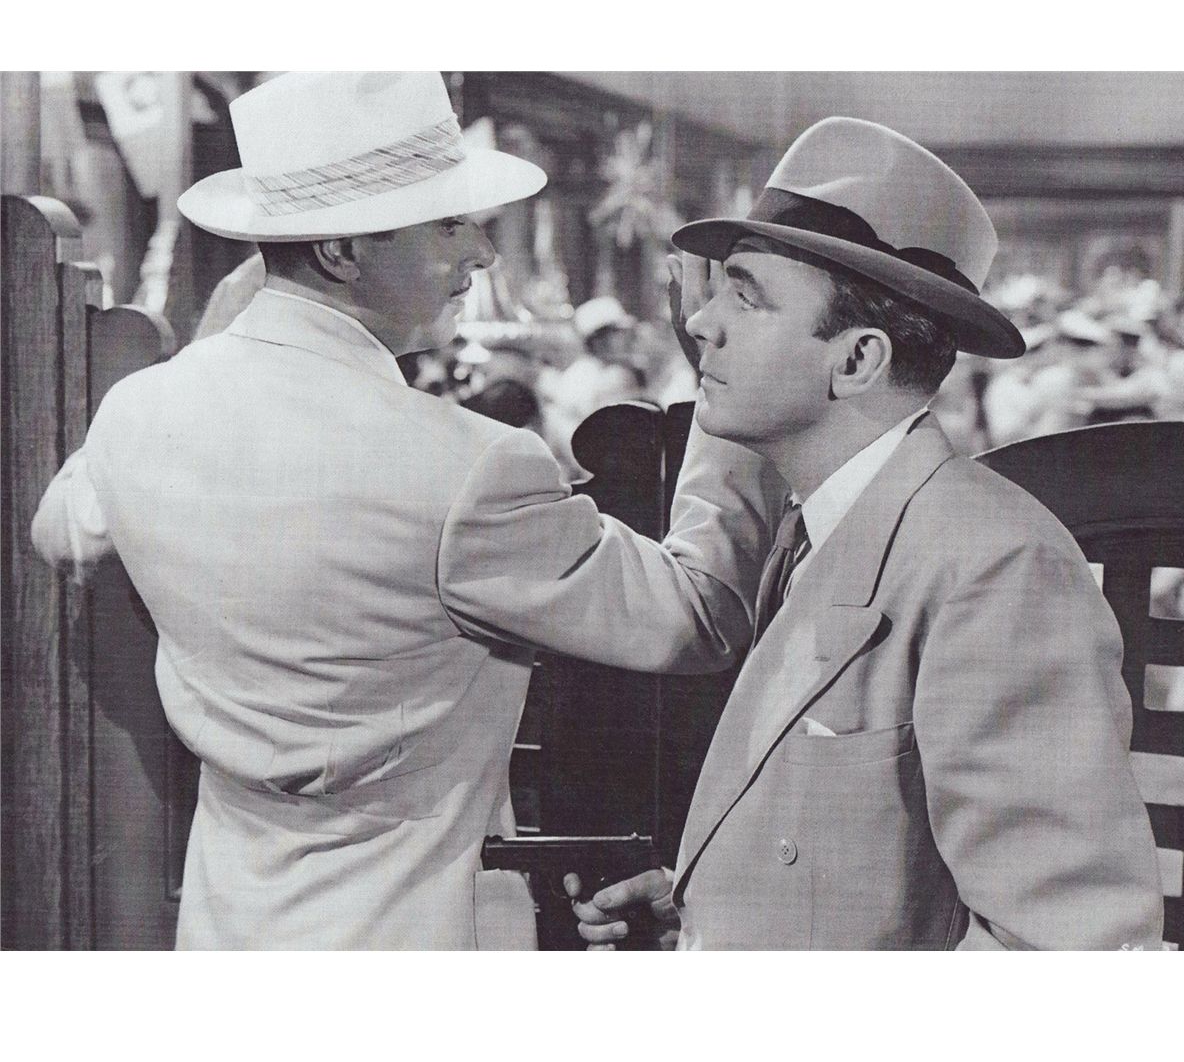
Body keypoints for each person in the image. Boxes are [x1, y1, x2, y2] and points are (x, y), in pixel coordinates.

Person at [31, 72, 785, 949]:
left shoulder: (139, 413)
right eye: (450, 223)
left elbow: (59, 529)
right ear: (341, 252)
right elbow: (698, 616)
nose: (484, 253)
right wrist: (732, 387)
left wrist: (224, 338)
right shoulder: (469, 468)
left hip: (228, 930)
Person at [570, 117, 1163, 950]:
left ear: (856, 361)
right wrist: (711, 911)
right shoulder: (821, 526)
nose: (699, 323)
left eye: (745, 295)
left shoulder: (996, 568)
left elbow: (1067, 951)